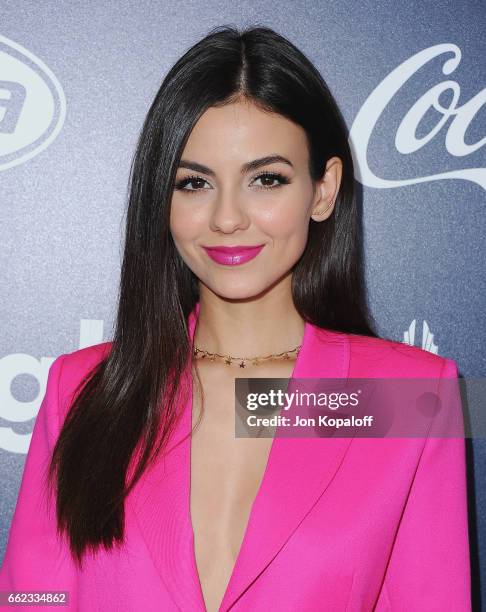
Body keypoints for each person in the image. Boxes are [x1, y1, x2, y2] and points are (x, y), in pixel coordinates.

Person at [0, 25, 471, 612]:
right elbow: (31, 597)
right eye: (195, 183)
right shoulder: (81, 391)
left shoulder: (407, 396)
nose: (227, 218)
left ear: (322, 191)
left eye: (266, 179)